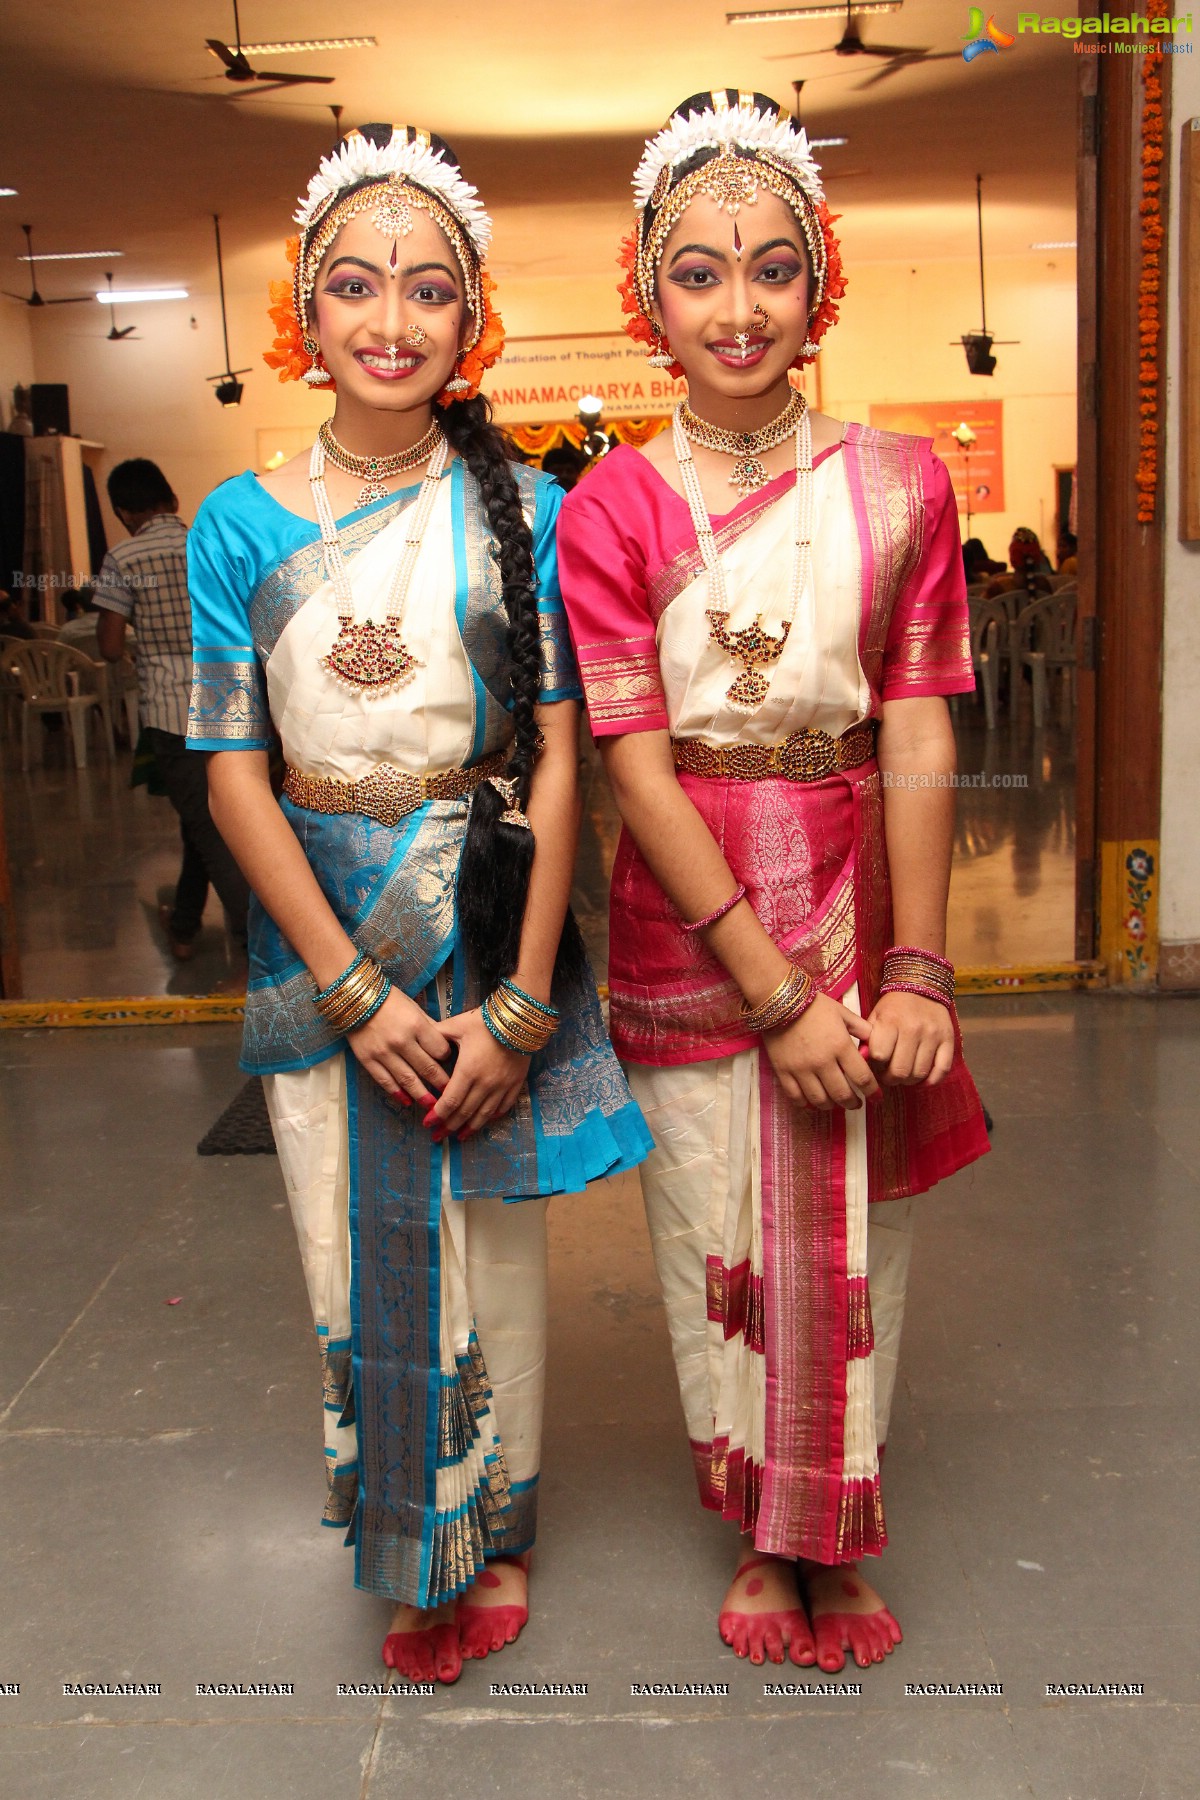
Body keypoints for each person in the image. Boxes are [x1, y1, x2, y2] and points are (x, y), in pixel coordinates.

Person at [185, 123, 651, 1686]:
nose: (393, 321)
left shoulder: (523, 504)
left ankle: (491, 1522)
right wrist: (347, 988)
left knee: (493, 1252)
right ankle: (412, 1531)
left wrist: (520, 999)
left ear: (475, 318)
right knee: (347, 1236)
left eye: (431, 290)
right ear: (300, 312)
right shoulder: (234, 524)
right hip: (322, 932)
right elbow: (232, 772)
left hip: (483, 914)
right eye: (357, 287)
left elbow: (563, 761)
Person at [557, 90, 990, 1675]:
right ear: (646, 296)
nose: (737, 307)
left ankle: (833, 1520)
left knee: (858, 1232)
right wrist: (770, 985)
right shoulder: (613, 503)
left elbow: (924, 716)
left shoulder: (901, 483)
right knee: (710, 1224)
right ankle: (763, 1529)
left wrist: (920, 965)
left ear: (822, 286)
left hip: (865, 885)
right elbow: (631, 758)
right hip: (698, 909)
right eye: (697, 271)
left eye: (770, 267)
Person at [95, 460, 250, 981]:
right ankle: (184, 925)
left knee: (208, 827)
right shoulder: (206, 539)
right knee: (208, 821)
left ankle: (257, 939)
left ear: (121, 510)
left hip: (168, 709)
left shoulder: (123, 556)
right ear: (172, 499)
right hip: (231, 695)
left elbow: (111, 647)